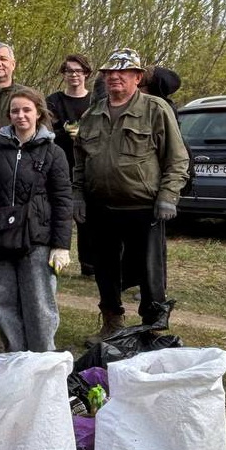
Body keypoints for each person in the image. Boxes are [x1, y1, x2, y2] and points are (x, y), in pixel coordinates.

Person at [72, 48, 189, 341]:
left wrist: (168, 196)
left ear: (137, 77)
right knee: (105, 270)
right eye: (110, 73)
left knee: (150, 272)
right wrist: (78, 196)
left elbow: (177, 158)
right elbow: (80, 161)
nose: (115, 77)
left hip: (143, 207)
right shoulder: (92, 114)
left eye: (123, 72)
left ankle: (151, 327)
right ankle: (112, 323)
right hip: (101, 207)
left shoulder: (155, 109)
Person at [0, 88, 73, 352]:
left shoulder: (53, 152)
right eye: (15, 111)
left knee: (38, 303)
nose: (21, 115)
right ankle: (16, 357)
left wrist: (62, 245)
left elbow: (62, 200)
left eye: (27, 110)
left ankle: (42, 359)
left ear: (38, 113)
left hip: (37, 239)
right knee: (3, 301)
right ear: (9, 115)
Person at [46, 54, 95, 277]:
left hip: (89, 166)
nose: (74, 75)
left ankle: (90, 265)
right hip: (59, 164)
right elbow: (44, 133)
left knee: (88, 217)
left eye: (78, 70)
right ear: (63, 74)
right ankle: (52, 257)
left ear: (86, 73)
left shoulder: (96, 101)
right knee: (56, 213)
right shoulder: (54, 101)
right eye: (69, 71)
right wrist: (63, 133)